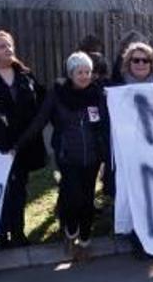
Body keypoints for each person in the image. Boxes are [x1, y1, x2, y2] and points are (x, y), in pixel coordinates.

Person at [16, 52, 110, 259]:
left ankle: (85, 241)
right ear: (70, 73)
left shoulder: (98, 94)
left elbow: (106, 124)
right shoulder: (58, 94)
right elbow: (40, 121)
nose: (84, 76)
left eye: (88, 72)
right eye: (80, 72)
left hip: (93, 157)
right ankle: (71, 230)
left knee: (87, 200)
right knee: (72, 197)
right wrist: (19, 144)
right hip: (68, 156)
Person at [0, 30, 47, 249]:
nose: (8, 49)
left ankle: (18, 232)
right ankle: (1, 234)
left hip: (22, 143)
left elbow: (43, 100)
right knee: (0, 190)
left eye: (10, 45)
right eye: (2, 46)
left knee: (20, 188)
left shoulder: (25, 74)